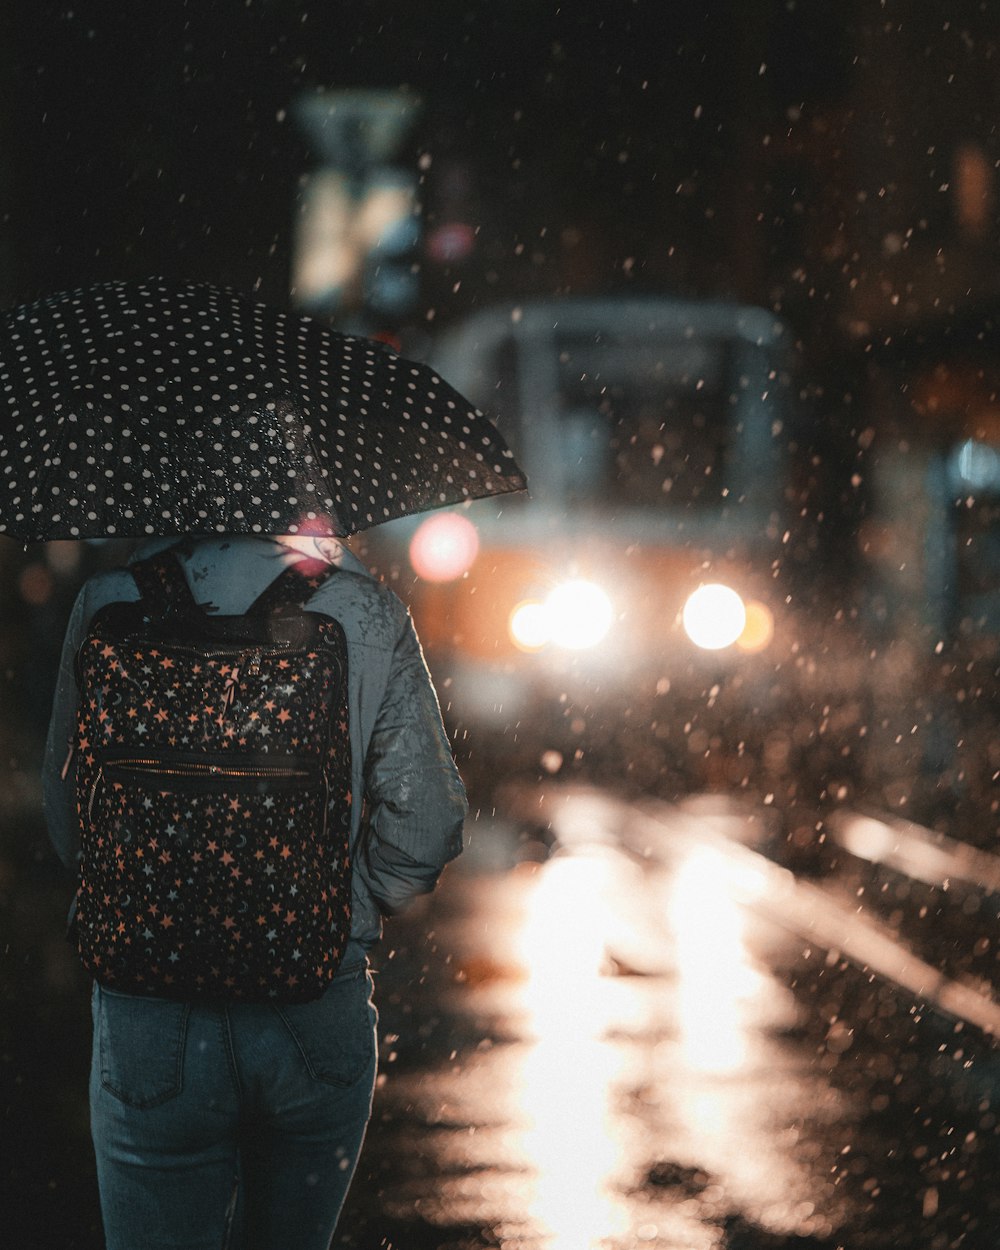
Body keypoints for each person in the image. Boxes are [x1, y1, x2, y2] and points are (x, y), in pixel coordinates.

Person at [41, 532, 468, 1250]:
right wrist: (347, 906)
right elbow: (425, 824)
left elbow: (69, 812)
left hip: (149, 1008)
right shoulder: (362, 610)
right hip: (311, 1000)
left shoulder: (109, 601)